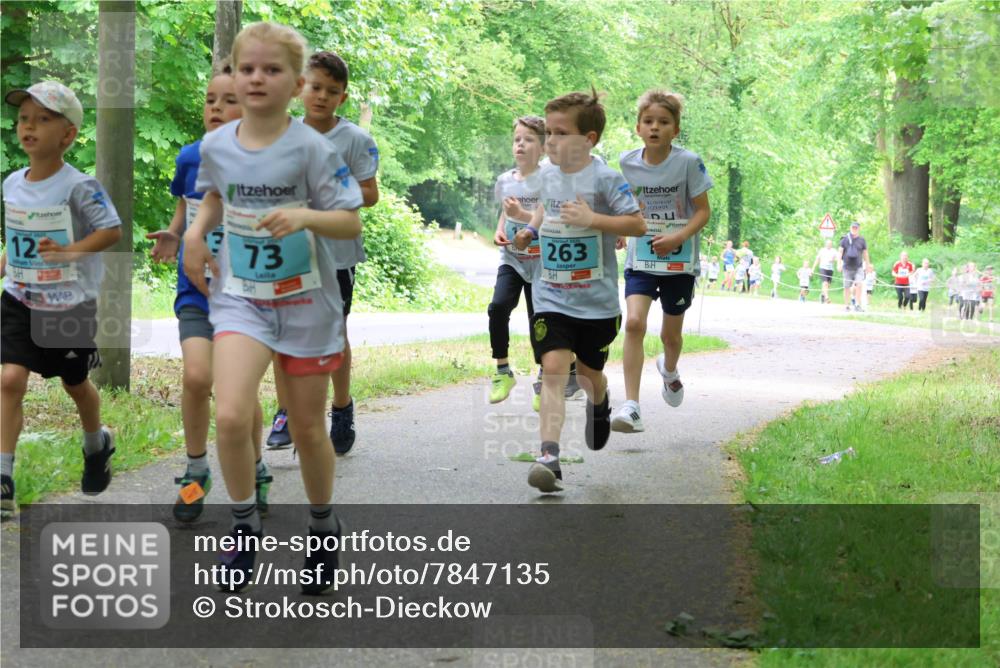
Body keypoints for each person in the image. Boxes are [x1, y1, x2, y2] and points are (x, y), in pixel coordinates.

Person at [181, 21, 362, 593]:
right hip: (242, 300)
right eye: (247, 68)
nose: (257, 78)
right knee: (231, 414)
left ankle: (321, 523)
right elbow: (213, 193)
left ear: (296, 82)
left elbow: (350, 219)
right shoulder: (216, 145)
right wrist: (194, 234)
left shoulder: (314, 147)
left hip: (307, 304)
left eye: (273, 69)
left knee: (308, 428)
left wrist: (305, 215)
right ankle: (241, 527)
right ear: (235, 74)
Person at [146, 61, 271, 523]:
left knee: (239, 391)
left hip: (246, 296)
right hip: (197, 289)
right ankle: (196, 469)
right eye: (210, 100)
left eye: (229, 100)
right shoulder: (189, 156)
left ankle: (255, 466)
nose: (217, 108)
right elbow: (186, 202)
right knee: (198, 377)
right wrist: (175, 235)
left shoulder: (265, 161)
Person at [511, 88, 644, 492]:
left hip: (597, 303)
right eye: (548, 132)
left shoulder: (606, 179)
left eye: (560, 133)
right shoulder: (545, 175)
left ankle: (600, 401)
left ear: (589, 139)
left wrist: (593, 218)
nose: (549, 141)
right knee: (553, 369)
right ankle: (548, 457)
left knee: (589, 375)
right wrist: (530, 230)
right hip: (551, 294)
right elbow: (545, 206)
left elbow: (637, 225)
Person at [1, 81, 122, 518]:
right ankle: (3, 476)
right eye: (23, 120)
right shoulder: (12, 183)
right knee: (9, 379)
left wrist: (70, 251)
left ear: (67, 135)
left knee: (75, 384)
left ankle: (96, 442)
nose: (29, 127)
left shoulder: (79, 186)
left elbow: (111, 231)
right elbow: (18, 241)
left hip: (68, 303)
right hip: (20, 296)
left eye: (43, 119)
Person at [266, 50, 381, 454]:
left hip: (336, 253)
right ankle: (285, 412)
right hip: (289, 251)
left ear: (342, 98)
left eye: (332, 91)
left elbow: (370, 195)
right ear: (300, 88)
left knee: (333, 333)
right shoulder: (281, 132)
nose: (321, 97)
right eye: (315, 87)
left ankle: (342, 406)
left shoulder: (355, 140)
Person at [610, 90, 712, 434]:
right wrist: (623, 228)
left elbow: (703, 211)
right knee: (634, 324)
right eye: (649, 122)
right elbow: (626, 202)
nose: (655, 128)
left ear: (676, 129)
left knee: (671, 336)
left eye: (663, 122)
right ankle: (632, 406)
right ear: (638, 127)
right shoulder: (627, 162)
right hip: (641, 255)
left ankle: (669, 371)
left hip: (678, 260)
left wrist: (678, 238)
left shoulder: (688, 162)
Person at [487, 115, 582, 410]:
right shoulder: (504, 180)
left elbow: (550, 219)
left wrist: (524, 219)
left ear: (542, 148)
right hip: (513, 260)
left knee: (540, 322)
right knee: (498, 306)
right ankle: (502, 370)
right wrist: (500, 229)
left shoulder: (549, 180)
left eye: (528, 140)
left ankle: (544, 377)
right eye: (517, 139)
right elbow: (505, 214)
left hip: (543, 262)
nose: (521, 144)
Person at [838, 221, 869, 312]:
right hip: (847, 267)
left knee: (859, 284)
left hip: (858, 267)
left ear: (858, 229)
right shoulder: (844, 239)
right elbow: (840, 252)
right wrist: (839, 263)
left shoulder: (862, 240)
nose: (854, 229)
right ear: (850, 228)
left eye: (856, 228)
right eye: (853, 228)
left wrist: (867, 265)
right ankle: (847, 305)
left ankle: (857, 305)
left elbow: (865, 253)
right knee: (847, 286)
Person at [812, 239, 838, 304]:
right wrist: (813, 268)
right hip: (823, 268)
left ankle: (822, 295)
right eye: (828, 244)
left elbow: (838, 258)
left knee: (828, 285)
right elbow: (817, 259)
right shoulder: (822, 250)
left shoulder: (834, 251)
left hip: (830, 269)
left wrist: (833, 260)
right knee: (825, 283)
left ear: (831, 245)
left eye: (830, 244)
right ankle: (827, 298)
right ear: (825, 244)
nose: (829, 245)